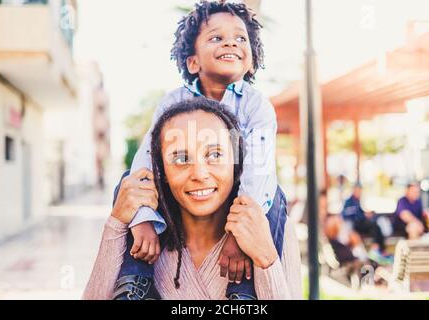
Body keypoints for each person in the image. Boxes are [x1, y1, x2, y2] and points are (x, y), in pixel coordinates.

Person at [116, 1, 287, 300]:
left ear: (250, 62)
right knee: (127, 180)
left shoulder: (256, 105)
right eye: (216, 37)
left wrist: (238, 236)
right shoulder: (172, 103)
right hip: (186, 197)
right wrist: (142, 218)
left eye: (240, 37)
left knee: (276, 198)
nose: (231, 41)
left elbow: (258, 171)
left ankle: (243, 292)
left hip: (239, 197)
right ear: (193, 62)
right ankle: (134, 279)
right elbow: (147, 160)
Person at [83, 98, 302, 299]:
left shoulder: (273, 232)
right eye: (180, 158)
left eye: (215, 155)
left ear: (236, 164)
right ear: (161, 171)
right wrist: (116, 223)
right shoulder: (138, 237)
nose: (199, 173)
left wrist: (266, 259)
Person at [341, 184, 392, 265]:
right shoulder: (349, 201)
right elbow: (350, 215)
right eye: (358, 191)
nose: (359, 193)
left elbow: (360, 213)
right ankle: (377, 249)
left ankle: (380, 250)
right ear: (354, 191)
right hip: (355, 225)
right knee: (373, 225)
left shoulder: (357, 201)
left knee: (376, 226)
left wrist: (367, 214)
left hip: (360, 223)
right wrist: (363, 216)